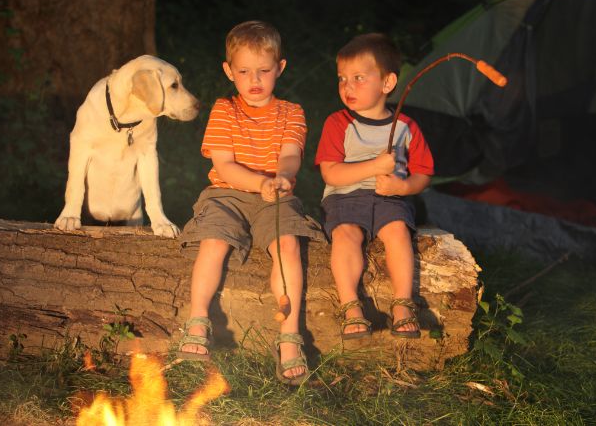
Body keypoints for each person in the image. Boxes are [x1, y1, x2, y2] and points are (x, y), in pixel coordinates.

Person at [179, 20, 323, 385]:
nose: (254, 80)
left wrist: (282, 178)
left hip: (275, 194)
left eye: (263, 70)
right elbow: (224, 165)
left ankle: (289, 336)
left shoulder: (292, 112)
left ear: (280, 68)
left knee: (287, 245)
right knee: (213, 242)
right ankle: (198, 319)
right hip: (227, 192)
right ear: (229, 71)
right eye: (244, 71)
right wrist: (259, 182)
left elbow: (291, 155)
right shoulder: (225, 110)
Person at [315, 33, 434, 340]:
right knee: (346, 234)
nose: (347, 86)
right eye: (342, 78)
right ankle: (351, 305)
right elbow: (331, 174)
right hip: (345, 197)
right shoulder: (338, 123)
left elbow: (423, 174)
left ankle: (403, 304)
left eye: (358, 78)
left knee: (396, 231)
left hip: (389, 197)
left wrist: (402, 187)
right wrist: (373, 167)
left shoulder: (406, 127)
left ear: (387, 83)